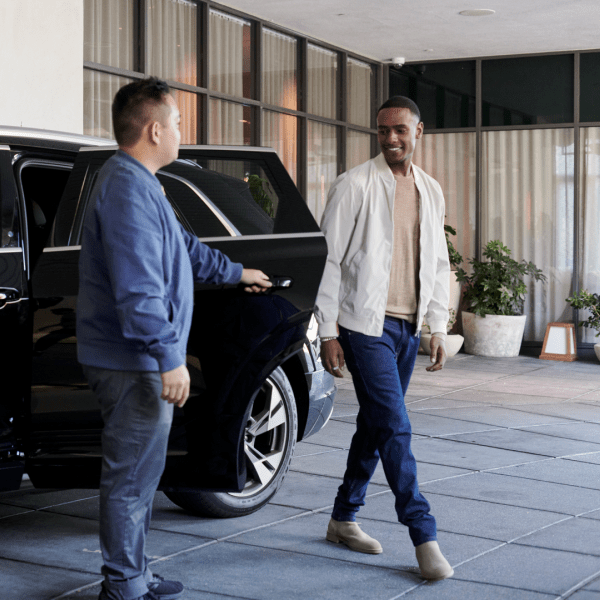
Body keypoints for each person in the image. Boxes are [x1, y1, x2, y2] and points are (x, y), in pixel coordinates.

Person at [77, 77, 272, 600]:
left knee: (140, 475)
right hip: (131, 362)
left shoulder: (139, 184)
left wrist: (237, 273)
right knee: (131, 479)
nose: (183, 131)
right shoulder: (125, 189)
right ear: (155, 128)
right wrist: (168, 358)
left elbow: (184, 249)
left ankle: (133, 574)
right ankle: (123, 587)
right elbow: (138, 289)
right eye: (180, 122)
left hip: (135, 359)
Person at [315, 96, 453, 581]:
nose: (391, 138)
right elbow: (328, 261)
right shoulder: (354, 185)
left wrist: (438, 325)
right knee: (395, 426)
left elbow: (438, 263)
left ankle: (343, 517)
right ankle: (424, 535)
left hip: (409, 328)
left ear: (419, 132)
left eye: (399, 130)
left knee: (376, 424)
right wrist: (328, 331)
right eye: (382, 131)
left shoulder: (431, 190)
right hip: (363, 326)